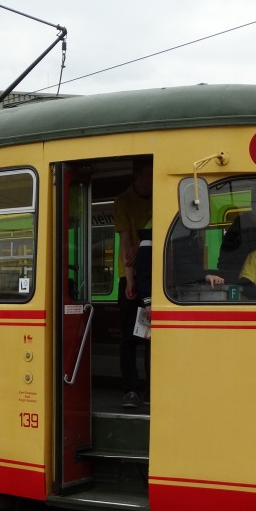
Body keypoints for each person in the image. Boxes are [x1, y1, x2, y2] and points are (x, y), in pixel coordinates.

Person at [113, 159, 153, 409]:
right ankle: (130, 390)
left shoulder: (157, 196)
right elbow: (127, 245)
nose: (151, 181)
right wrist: (130, 281)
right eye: (148, 176)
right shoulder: (123, 202)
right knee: (129, 337)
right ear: (137, 176)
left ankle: (151, 389)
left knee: (151, 336)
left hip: (151, 277)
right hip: (129, 278)